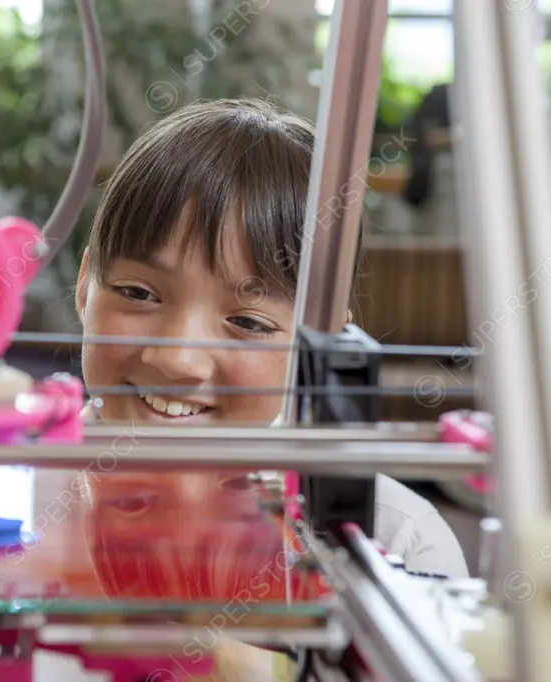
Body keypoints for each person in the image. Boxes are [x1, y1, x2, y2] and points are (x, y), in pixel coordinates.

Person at [73, 98, 468, 579]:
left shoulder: (397, 542)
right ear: (83, 285)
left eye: (248, 322)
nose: (177, 359)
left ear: (322, 343)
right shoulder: (24, 495)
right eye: (138, 293)